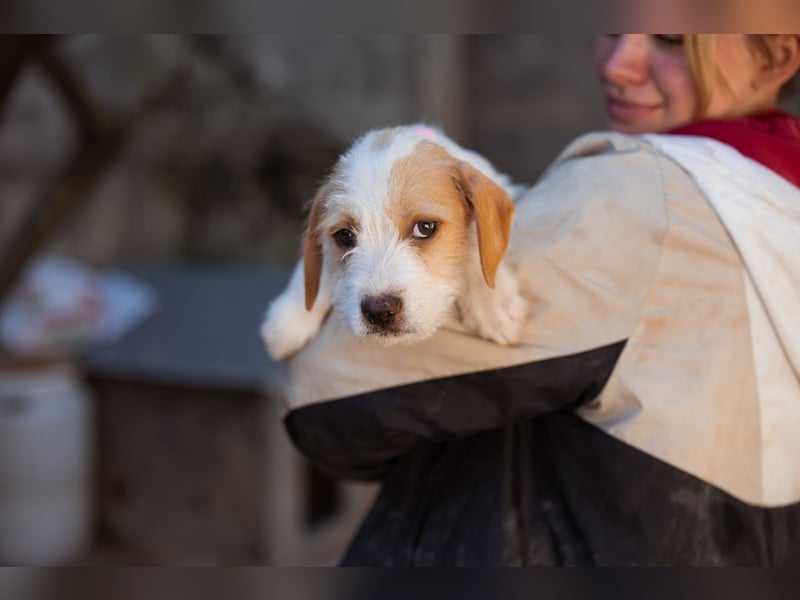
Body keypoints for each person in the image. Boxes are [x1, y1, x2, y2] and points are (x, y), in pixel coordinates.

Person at [279, 34, 800, 566]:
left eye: (671, 40)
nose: (618, 64)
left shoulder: (635, 191)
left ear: (777, 56)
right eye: (614, 28)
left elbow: (327, 394)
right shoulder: (779, 194)